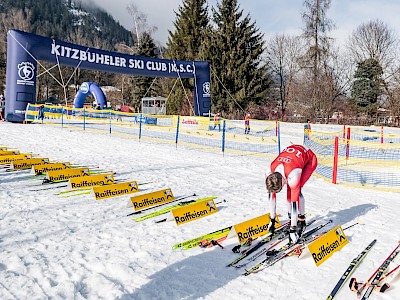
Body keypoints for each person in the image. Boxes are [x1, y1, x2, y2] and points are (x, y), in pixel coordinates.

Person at [265, 144, 318, 244]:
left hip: (310, 160)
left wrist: (293, 229)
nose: (276, 193)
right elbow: (271, 197)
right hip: (293, 156)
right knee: (290, 192)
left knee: (294, 192)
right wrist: (272, 220)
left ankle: (302, 221)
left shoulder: (293, 176)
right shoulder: (269, 171)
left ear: (282, 183)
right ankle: (292, 219)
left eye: (278, 190)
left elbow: (294, 204)